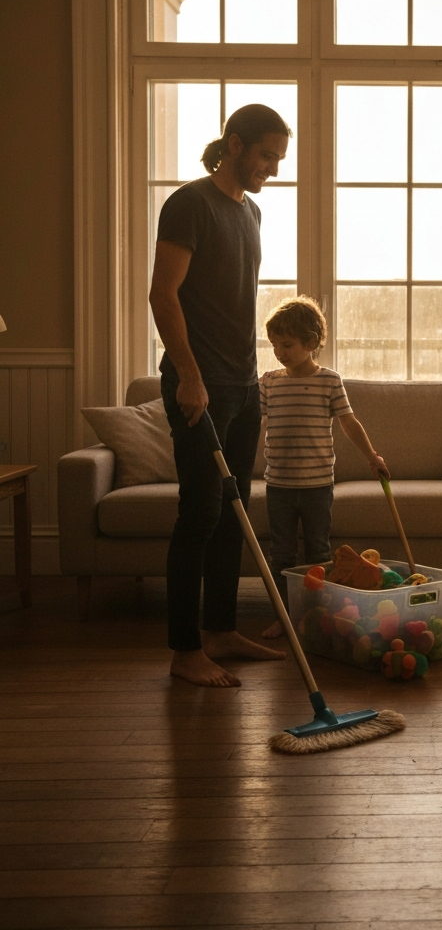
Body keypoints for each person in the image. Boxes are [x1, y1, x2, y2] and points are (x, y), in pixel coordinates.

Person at [150, 103, 292, 687]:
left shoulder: (251, 211)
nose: (273, 170)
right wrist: (188, 375)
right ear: (233, 145)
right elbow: (163, 295)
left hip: (241, 382)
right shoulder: (189, 204)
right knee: (200, 513)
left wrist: (245, 375)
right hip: (199, 386)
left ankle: (220, 631)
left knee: (234, 513)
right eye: (266, 156)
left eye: (278, 159)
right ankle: (186, 652)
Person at [257, 296, 390, 639]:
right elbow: (252, 426)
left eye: (287, 344)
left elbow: (349, 423)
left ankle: (319, 615)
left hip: (317, 484)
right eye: (274, 345)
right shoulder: (269, 382)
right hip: (279, 484)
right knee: (282, 554)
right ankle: (285, 617)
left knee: (318, 551)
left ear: (312, 343)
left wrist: (372, 456)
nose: (279, 352)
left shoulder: (329, 381)